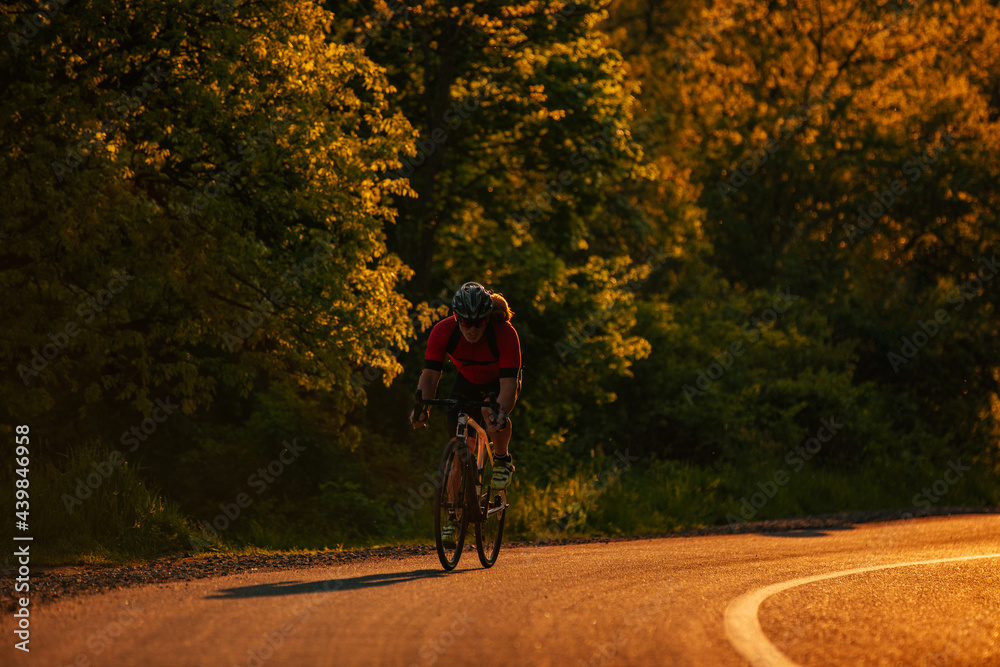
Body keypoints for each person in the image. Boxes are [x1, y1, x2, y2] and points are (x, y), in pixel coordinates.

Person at [410, 282, 522, 542]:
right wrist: (421, 408)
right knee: (458, 451)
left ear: (487, 319)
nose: (471, 330)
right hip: (466, 381)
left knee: (490, 413)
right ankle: (453, 516)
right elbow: (429, 376)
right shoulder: (443, 331)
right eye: (464, 323)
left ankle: (502, 459)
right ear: (455, 317)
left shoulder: (504, 333)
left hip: (498, 382)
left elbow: (508, 387)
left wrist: (499, 413)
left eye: (478, 324)